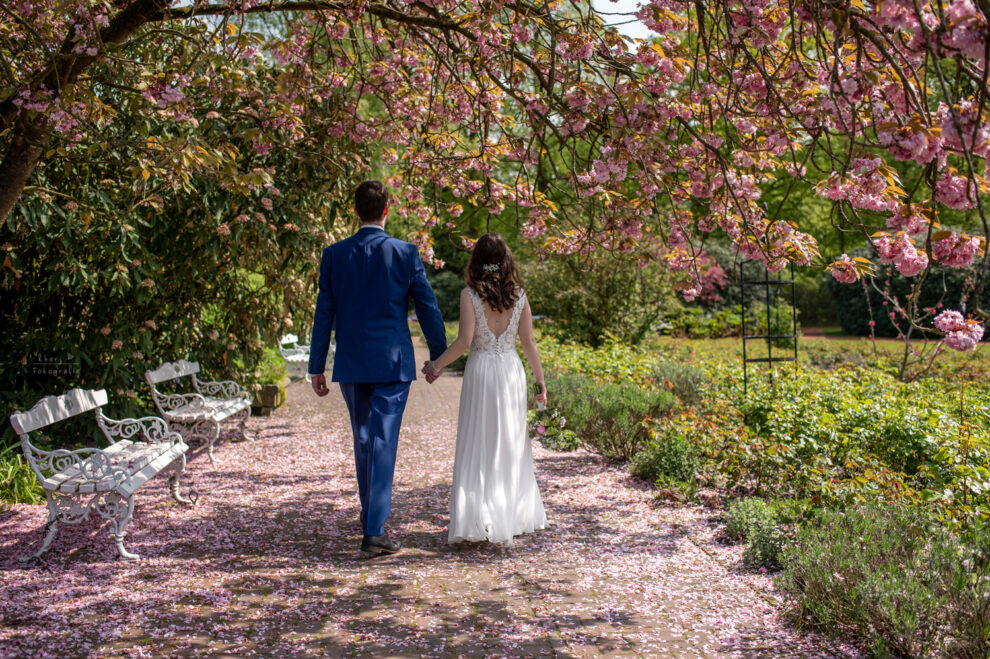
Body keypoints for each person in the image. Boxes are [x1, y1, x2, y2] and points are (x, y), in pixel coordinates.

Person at [309, 180, 447, 555]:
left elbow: (324, 314)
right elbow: (427, 307)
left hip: (352, 362)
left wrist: (316, 366)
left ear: (356, 211)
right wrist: (438, 356)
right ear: (387, 210)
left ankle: (371, 516)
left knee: (364, 438)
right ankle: (373, 529)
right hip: (392, 361)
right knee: (382, 439)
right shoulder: (405, 252)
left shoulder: (334, 254)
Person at [422, 233, 548, 545]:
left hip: (480, 372)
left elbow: (465, 342)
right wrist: (540, 382)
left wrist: (435, 366)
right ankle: (511, 515)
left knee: (478, 441)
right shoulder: (518, 295)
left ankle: (477, 518)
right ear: (506, 260)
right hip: (509, 372)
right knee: (509, 442)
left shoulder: (470, 295)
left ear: (476, 260)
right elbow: (529, 343)